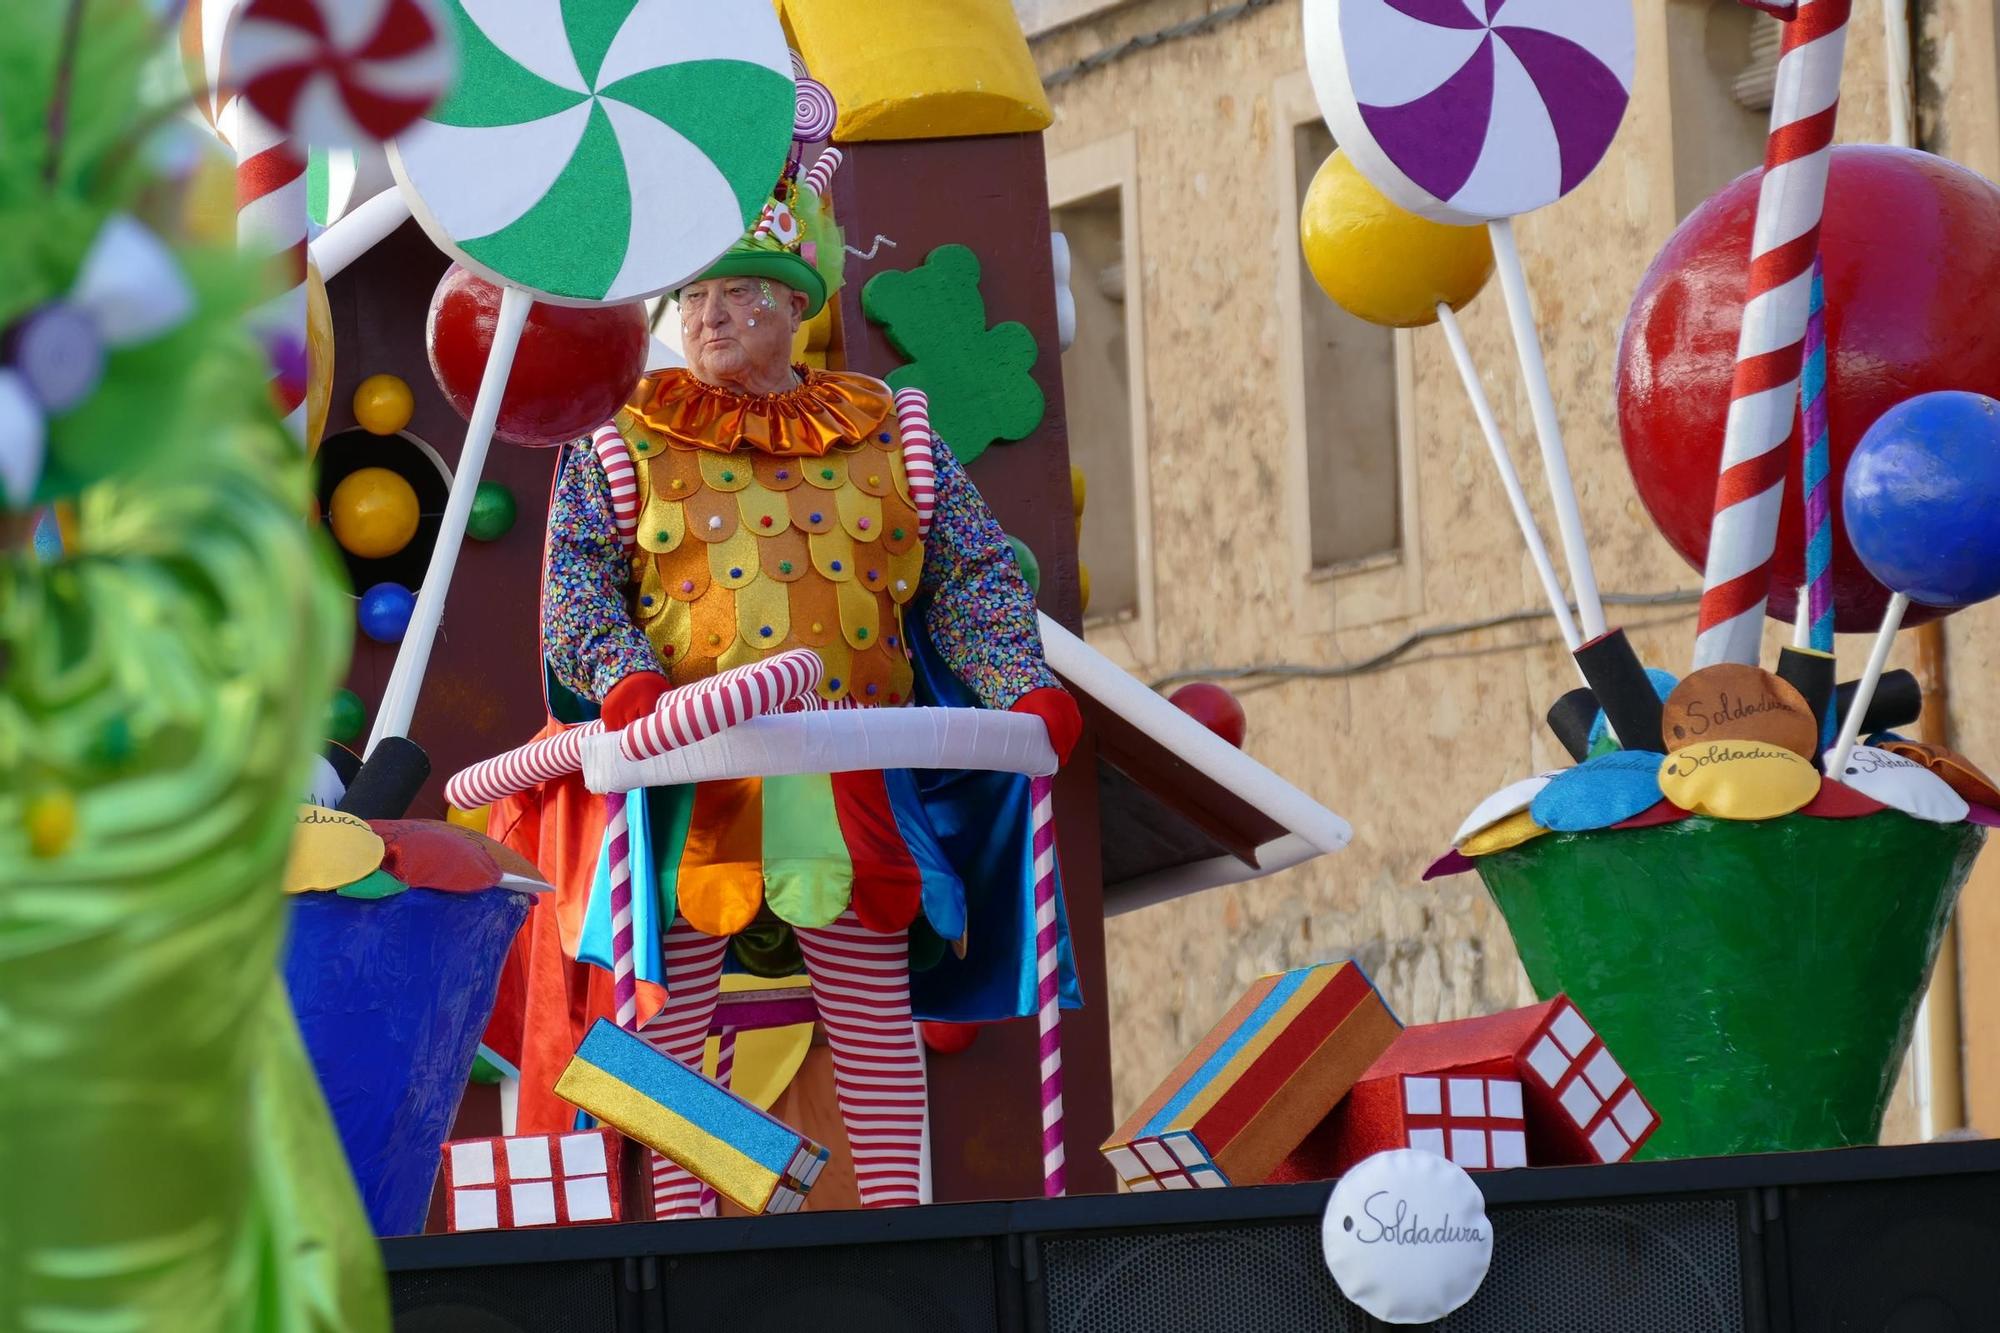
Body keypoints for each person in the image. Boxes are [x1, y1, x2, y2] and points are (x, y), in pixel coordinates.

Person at [525, 172, 1082, 1215]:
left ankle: (893, 1226)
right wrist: (624, 673)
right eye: (689, 298)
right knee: (666, 1005)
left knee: (869, 996)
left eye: (735, 293)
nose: (707, 316)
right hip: (690, 772)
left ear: (794, 302)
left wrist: (1019, 681)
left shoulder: (888, 434)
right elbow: (575, 584)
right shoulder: (621, 433)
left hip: (845, 767)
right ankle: (682, 1245)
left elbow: (968, 574)